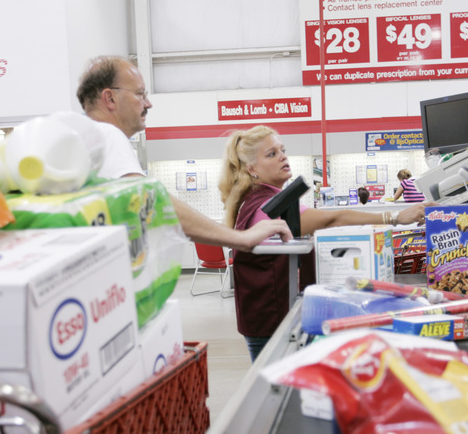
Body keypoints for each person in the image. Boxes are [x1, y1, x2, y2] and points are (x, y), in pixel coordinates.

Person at [218, 125, 435, 361]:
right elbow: (331, 218)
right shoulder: (265, 207)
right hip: (271, 323)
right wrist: (395, 217)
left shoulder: (266, 200)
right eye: (271, 154)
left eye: (282, 150)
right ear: (251, 169)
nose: (282, 156)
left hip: (269, 318)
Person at [76, 55, 291, 251]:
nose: (148, 103)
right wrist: (241, 238)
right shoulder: (107, 136)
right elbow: (149, 200)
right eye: (140, 94)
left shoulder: (84, 141)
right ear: (110, 98)